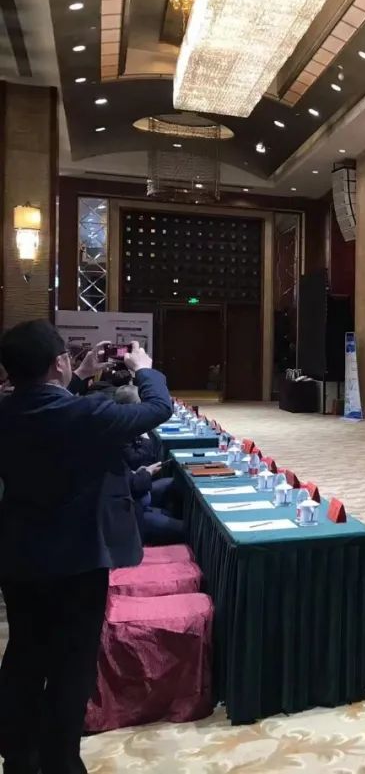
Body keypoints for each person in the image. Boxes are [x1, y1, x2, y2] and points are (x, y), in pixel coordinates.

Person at [0, 323, 171, 774]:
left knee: (24, 655)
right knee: (70, 667)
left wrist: (77, 376)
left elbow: (47, 409)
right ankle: (60, 762)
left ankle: (18, 759)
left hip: (19, 557)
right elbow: (158, 408)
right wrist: (144, 369)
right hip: (78, 561)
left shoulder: (8, 411)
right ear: (57, 362)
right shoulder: (88, 414)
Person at [114, 385, 183, 545]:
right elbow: (137, 464)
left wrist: (141, 472)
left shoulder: (125, 426)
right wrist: (146, 472)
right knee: (187, 530)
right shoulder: (119, 433)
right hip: (132, 511)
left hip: (139, 495)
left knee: (176, 483)